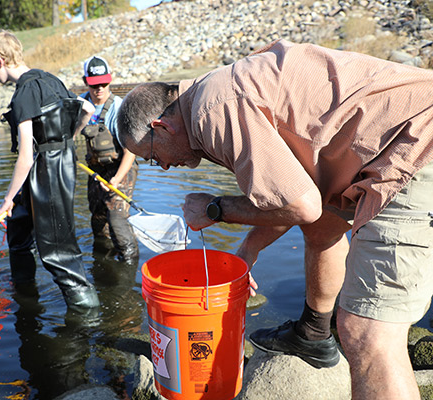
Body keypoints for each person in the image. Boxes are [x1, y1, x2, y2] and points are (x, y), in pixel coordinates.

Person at [116, 39, 433, 399]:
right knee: (322, 227)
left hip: (414, 146)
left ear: (162, 127)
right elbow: (297, 194)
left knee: (369, 334)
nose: (162, 166)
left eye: (152, 155)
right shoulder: (213, 96)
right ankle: (313, 333)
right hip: (396, 138)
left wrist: (215, 208)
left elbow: (300, 206)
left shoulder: (213, 111)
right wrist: (248, 251)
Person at [0, 30, 100, 310]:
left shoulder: (24, 92)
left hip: (47, 170)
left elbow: (26, 156)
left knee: (57, 251)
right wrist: (68, 138)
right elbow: (88, 109)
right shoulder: (50, 79)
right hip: (60, 158)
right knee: (19, 231)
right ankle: (25, 296)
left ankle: (88, 316)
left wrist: (6, 198)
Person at [80, 55, 139, 263]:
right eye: (94, 84)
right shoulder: (80, 105)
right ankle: (104, 263)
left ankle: (129, 262)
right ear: (85, 81)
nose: (100, 89)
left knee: (117, 219)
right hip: (96, 171)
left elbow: (130, 151)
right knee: (98, 220)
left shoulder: (119, 108)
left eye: (104, 83)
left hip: (121, 166)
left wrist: (116, 179)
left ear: (110, 80)